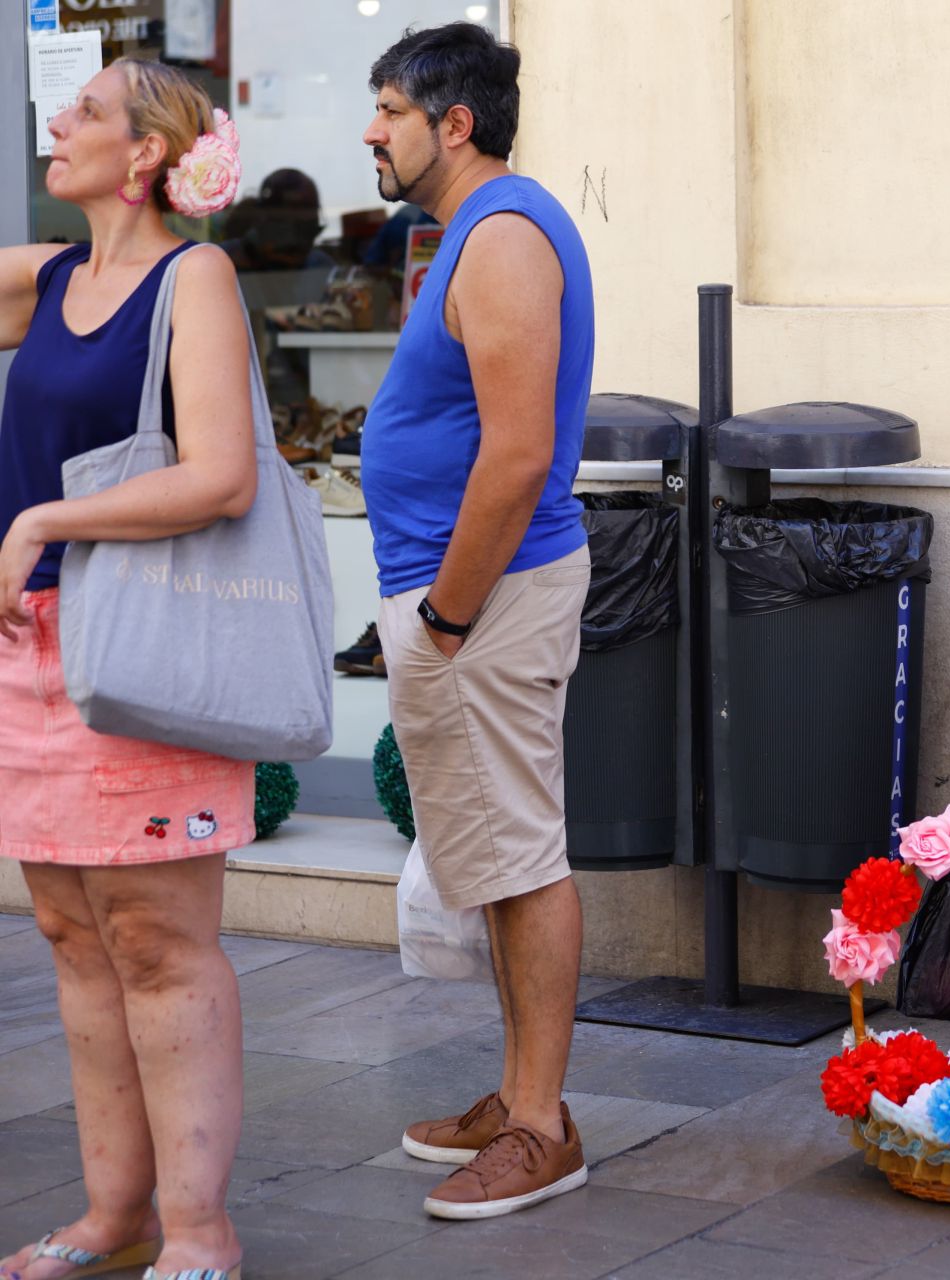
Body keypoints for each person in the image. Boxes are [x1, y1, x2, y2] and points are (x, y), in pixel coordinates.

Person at [0, 60, 254, 1280]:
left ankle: (201, 1231)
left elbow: (222, 473)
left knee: (156, 940)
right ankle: (115, 1214)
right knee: (69, 933)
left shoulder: (190, 276)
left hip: (144, 640)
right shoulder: (50, 278)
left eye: (86, 111)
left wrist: (43, 520)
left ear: (147, 154)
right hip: (32, 650)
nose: (56, 121)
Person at [356, 23, 596, 1218]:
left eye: (388, 108)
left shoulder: (499, 237)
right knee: (500, 859)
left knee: (524, 851)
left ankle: (542, 1123)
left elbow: (518, 454)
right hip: (474, 598)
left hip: (486, 599)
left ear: (454, 124)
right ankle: (518, 1093)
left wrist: (445, 616)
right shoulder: (479, 233)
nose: (371, 131)